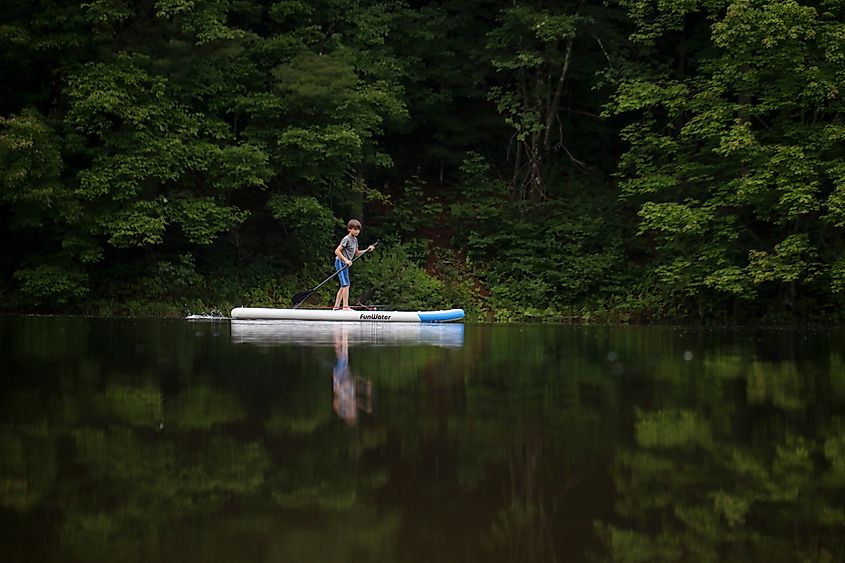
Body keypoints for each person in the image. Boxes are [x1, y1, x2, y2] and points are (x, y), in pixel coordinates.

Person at [333, 219, 375, 310]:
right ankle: (345, 307)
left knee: (344, 285)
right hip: (340, 263)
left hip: (346, 264)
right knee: (346, 285)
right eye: (354, 229)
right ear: (349, 229)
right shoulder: (346, 239)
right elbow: (337, 251)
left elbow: (356, 253)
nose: (356, 231)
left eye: (358, 229)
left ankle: (336, 307)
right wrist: (346, 260)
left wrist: (367, 250)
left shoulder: (355, 240)